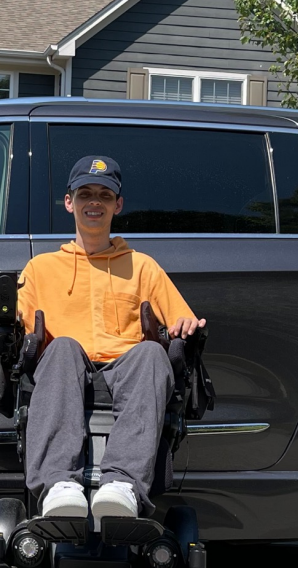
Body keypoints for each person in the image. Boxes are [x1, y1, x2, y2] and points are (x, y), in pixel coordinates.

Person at [16, 155, 204, 520]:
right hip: (67, 369)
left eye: (104, 195)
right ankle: (58, 485)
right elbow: (19, 326)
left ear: (117, 205)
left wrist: (186, 326)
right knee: (63, 347)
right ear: (69, 202)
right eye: (85, 193)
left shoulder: (142, 266)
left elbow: (183, 318)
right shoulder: (41, 269)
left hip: (126, 371)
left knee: (152, 353)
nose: (94, 203)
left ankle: (123, 486)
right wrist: (0, 319)